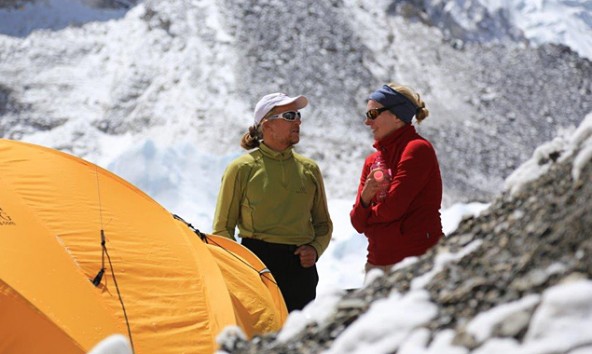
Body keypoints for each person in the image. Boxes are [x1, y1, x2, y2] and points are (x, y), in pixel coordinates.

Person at [212, 92, 333, 312]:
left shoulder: (310, 169)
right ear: (266, 124)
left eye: (297, 115)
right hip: (256, 264)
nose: (297, 120)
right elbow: (222, 228)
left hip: (301, 270)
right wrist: (241, 269)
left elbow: (323, 224)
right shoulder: (241, 169)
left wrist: (314, 250)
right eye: (289, 115)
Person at [350, 83, 443, 277]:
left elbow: (392, 208)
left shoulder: (417, 149)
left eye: (372, 115)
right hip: (376, 263)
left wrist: (366, 213)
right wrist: (366, 198)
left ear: (396, 116)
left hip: (415, 262)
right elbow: (357, 223)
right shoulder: (373, 160)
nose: (367, 122)